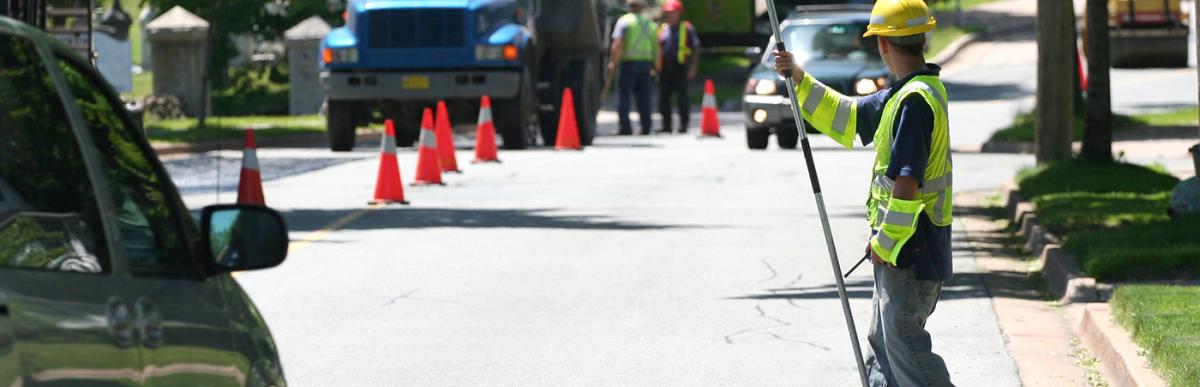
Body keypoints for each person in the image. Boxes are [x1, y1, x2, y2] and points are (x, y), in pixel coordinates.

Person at [773, 1, 955, 386]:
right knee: (885, 346)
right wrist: (799, 78)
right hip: (904, 249)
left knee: (905, 348)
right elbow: (850, 117)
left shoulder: (914, 102)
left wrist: (886, 242)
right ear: (922, 38)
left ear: (883, 45)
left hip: (909, 251)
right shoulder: (905, 94)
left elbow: (907, 185)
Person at [608, 0, 657, 135]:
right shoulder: (650, 24)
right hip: (646, 64)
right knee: (644, 98)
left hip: (628, 64)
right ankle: (646, 127)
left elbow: (618, 42)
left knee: (624, 97)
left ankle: (625, 128)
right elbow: (656, 46)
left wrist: (613, 61)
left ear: (630, 6)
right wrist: (656, 64)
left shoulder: (624, 21)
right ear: (642, 7)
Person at [655, 0, 699, 134]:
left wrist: (693, 68)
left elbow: (696, 48)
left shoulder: (686, 28)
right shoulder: (662, 29)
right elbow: (657, 49)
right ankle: (666, 126)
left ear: (678, 13)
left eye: (672, 13)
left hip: (680, 68)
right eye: (668, 13)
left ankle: (683, 126)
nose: (670, 15)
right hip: (665, 69)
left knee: (682, 99)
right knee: (664, 98)